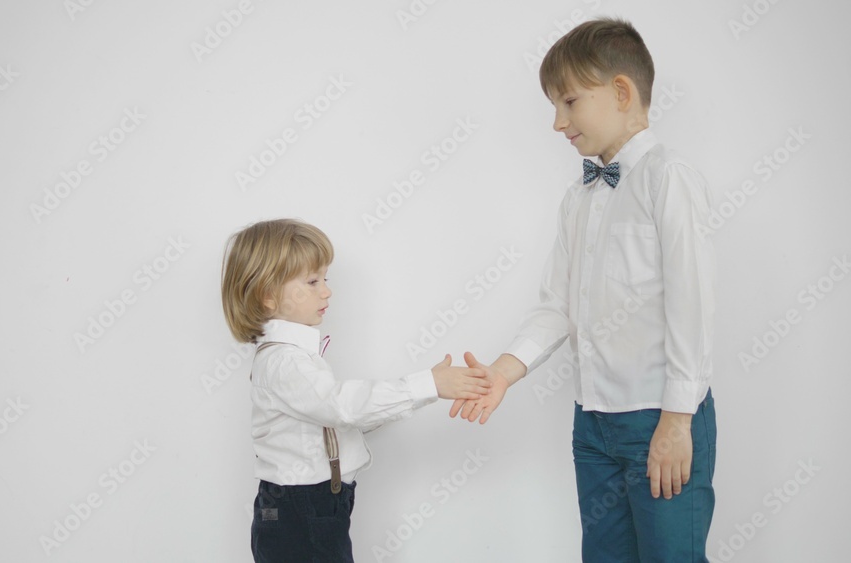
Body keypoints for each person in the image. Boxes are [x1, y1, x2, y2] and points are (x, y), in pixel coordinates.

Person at [450, 18, 718, 562]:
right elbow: (556, 306)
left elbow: (692, 302)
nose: (557, 123)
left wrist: (677, 418)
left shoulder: (668, 178)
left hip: (658, 418)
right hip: (592, 423)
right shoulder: (580, 197)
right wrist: (503, 370)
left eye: (568, 102)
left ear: (621, 92)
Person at [221, 218, 490, 562]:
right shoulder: (285, 362)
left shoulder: (296, 358)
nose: (327, 291)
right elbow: (343, 407)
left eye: (326, 279)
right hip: (300, 509)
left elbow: (342, 418)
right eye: (313, 281)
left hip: (310, 505)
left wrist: (425, 391)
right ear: (268, 295)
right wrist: (428, 384)